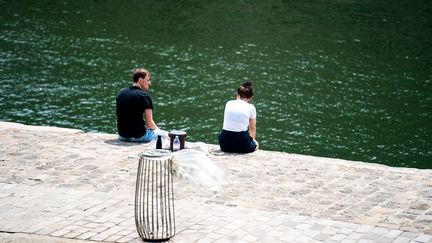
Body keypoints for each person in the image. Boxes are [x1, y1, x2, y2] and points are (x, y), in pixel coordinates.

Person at [116, 68, 166, 142]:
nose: (150, 83)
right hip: (139, 136)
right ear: (140, 80)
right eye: (148, 80)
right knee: (167, 135)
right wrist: (161, 132)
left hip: (122, 135)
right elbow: (150, 124)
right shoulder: (144, 96)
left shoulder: (121, 93)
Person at [218, 81, 259, 153]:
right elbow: (252, 128)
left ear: (238, 94)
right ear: (250, 97)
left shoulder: (229, 103)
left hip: (225, 144)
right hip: (242, 144)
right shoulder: (251, 107)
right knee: (256, 144)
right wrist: (253, 141)